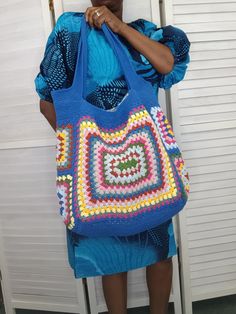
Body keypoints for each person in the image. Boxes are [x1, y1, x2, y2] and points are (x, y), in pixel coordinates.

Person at [34, 1, 191, 313]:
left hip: (146, 166)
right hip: (95, 171)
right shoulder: (70, 30)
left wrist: (119, 29)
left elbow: (168, 65)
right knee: (110, 257)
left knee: (160, 251)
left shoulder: (143, 32)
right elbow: (47, 99)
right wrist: (81, 147)